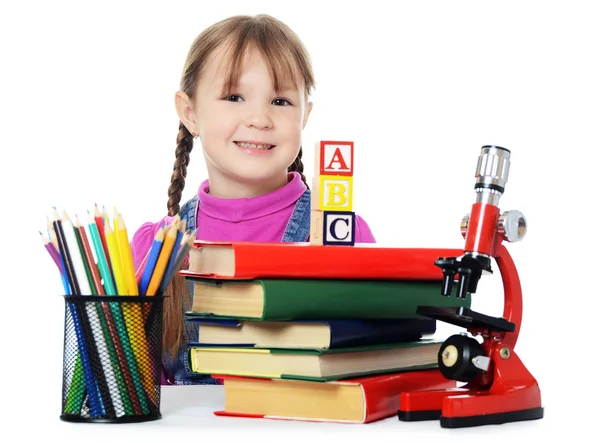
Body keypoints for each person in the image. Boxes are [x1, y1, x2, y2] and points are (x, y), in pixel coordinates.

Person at [130, 14, 376, 386]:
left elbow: (371, 353)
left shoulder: (340, 232)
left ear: (305, 116)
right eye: (234, 97)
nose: (260, 118)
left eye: (280, 100)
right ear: (190, 112)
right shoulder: (157, 250)